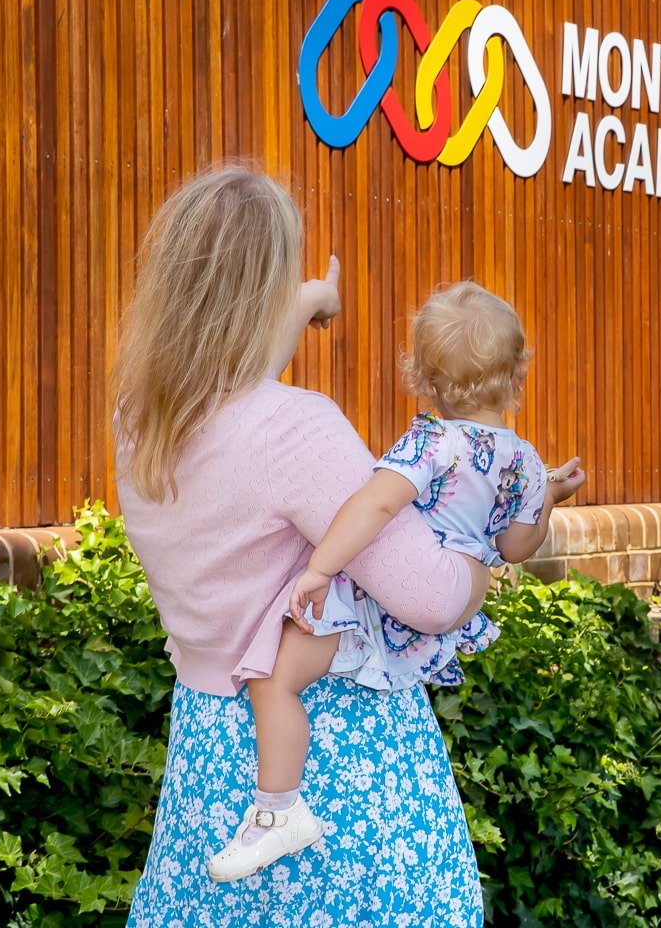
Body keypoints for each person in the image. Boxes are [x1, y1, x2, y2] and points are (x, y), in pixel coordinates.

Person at [115, 166, 486, 925]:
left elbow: (238, 391)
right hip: (335, 772)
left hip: (211, 758)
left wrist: (312, 299)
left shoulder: (140, 422)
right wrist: (488, 530)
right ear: (268, 290)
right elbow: (434, 597)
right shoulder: (296, 428)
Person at [209, 282, 586, 881]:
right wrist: (550, 498)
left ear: (426, 379)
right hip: (445, 608)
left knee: (274, 677)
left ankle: (278, 810)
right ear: (518, 374)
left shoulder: (434, 440)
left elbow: (375, 505)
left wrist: (319, 568)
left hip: (384, 597)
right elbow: (515, 548)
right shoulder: (525, 462)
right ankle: (281, 813)